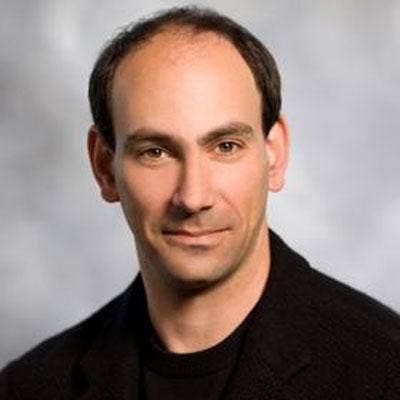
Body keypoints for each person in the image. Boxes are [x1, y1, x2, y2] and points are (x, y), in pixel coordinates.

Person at [1, 6, 399, 399]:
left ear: (274, 155)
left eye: (225, 146)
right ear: (104, 167)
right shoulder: (28, 388)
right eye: (155, 152)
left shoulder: (386, 371)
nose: (193, 198)